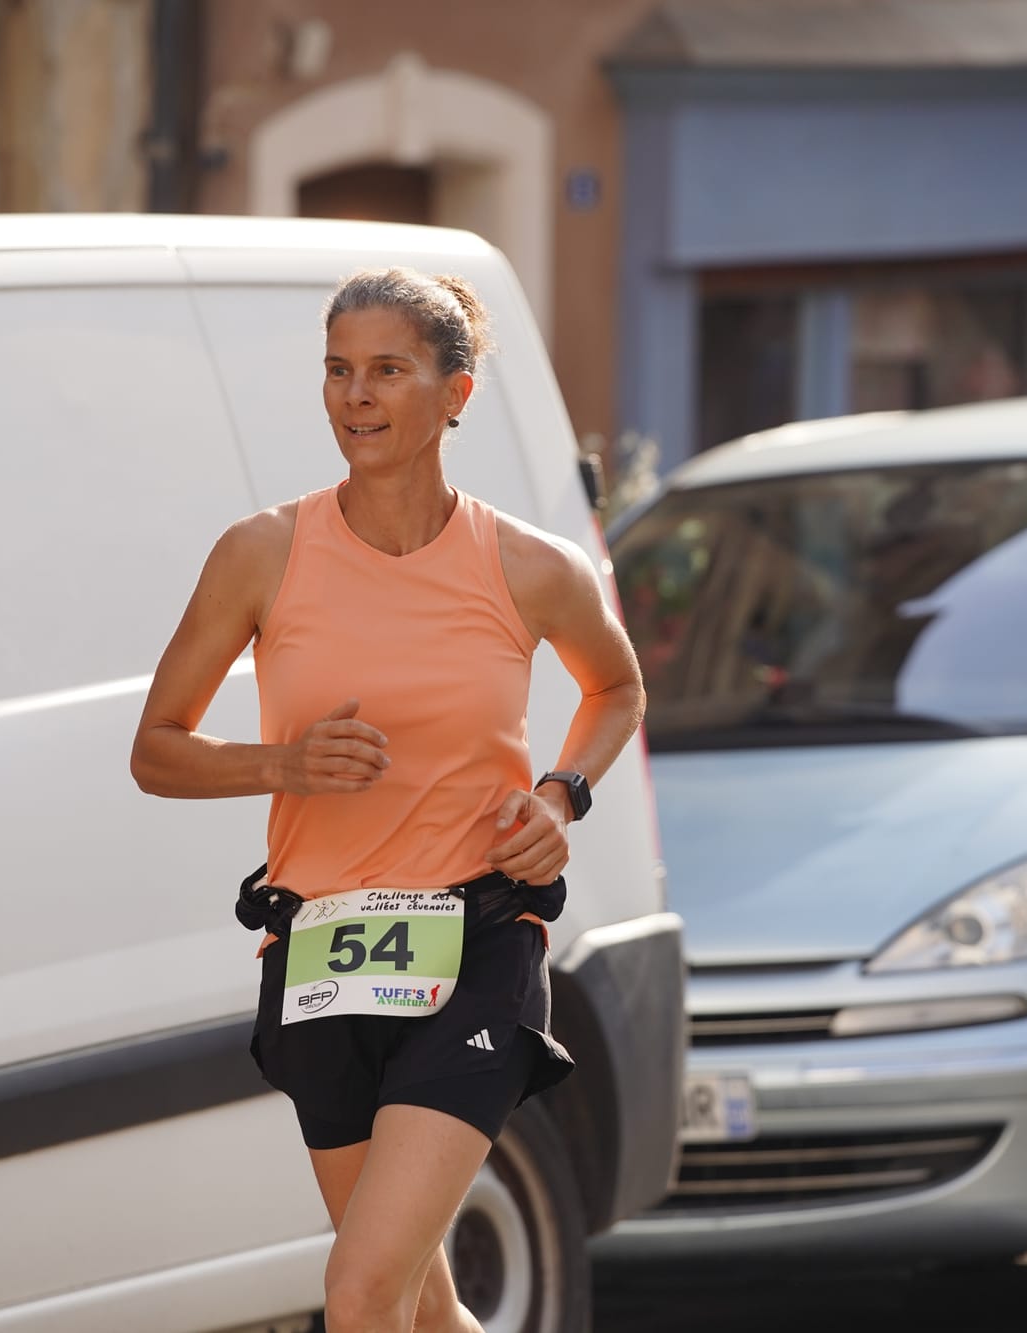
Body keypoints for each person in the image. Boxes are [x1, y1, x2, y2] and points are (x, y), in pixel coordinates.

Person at [128, 267, 645, 1333]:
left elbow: (616, 686)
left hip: (478, 942)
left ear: (454, 394)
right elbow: (155, 749)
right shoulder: (262, 552)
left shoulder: (528, 566)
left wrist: (559, 795)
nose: (353, 397)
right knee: (412, 1302)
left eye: (386, 372)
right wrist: (283, 765)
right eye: (337, 371)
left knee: (359, 1291)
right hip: (320, 950)